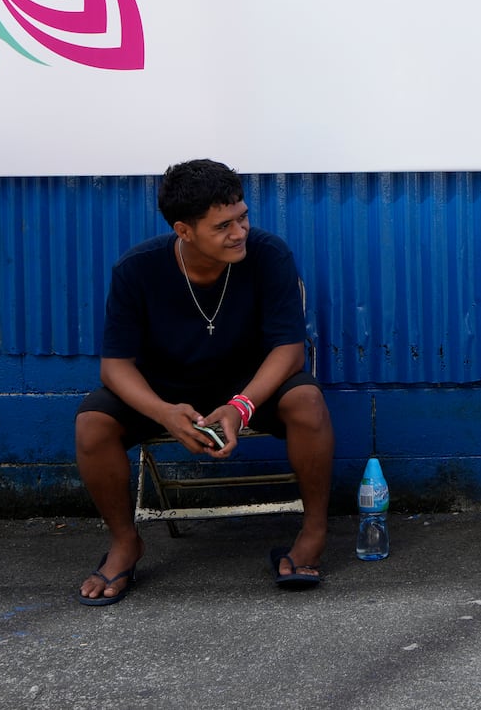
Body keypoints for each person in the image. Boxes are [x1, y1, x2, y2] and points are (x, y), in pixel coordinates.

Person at [73, 158, 334, 604]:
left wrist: (240, 406)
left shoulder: (269, 255)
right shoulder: (138, 269)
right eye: (223, 226)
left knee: (307, 401)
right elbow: (115, 366)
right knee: (92, 423)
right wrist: (163, 413)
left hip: (252, 387)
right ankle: (125, 542)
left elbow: (289, 351)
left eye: (243, 217)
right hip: (168, 392)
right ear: (184, 230)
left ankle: (313, 532)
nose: (240, 233)